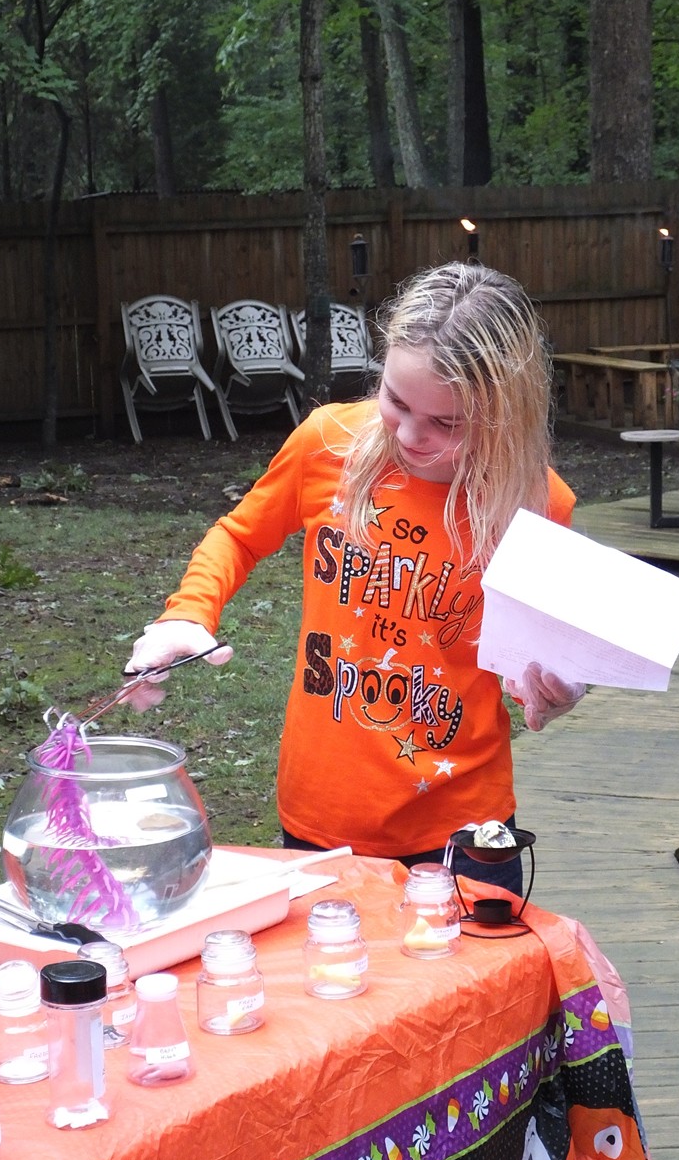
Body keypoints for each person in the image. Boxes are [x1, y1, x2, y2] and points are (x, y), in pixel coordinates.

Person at [123, 263, 584, 894]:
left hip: (464, 830)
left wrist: (552, 686)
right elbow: (239, 535)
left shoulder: (538, 503)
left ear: (506, 412)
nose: (411, 436)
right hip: (324, 815)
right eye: (396, 401)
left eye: (447, 423)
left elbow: (538, 657)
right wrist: (187, 613)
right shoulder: (327, 443)